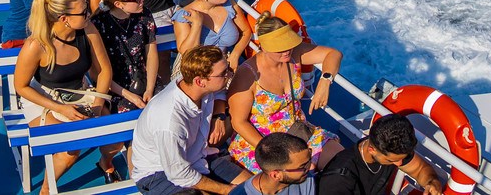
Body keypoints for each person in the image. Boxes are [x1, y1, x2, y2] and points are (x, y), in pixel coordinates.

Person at [13, 0, 124, 188]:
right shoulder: (36, 45)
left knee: (115, 139)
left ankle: (105, 162)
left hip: (81, 93)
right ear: (64, 18)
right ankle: (47, 189)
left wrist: (98, 105)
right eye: (83, 12)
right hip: (44, 98)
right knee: (71, 150)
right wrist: (60, 108)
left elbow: (105, 69)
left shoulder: (87, 29)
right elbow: (21, 87)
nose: (88, 14)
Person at [225, 16, 345, 176]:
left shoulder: (294, 54)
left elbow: (333, 54)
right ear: (264, 47)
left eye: (289, 44)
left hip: (298, 131)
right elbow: (238, 122)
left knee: (344, 163)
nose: (287, 51)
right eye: (280, 48)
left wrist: (325, 81)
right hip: (263, 141)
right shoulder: (247, 75)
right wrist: (269, 150)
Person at [129, 44, 251, 195]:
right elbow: (178, 174)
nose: (229, 75)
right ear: (200, 81)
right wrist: (226, 190)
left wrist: (218, 116)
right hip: (159, 174)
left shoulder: (192, 83)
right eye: (224, 73)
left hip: (199, 155)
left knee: (254, 189)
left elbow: (218, 92)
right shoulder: (170, 120)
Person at [317, 115, 444, 195]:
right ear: (372, 149)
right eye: (392, 161)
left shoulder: (391, 150)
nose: (399, 164)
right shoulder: (338, 179)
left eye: (401, 159)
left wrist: (432, 183)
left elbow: (420, 169)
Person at [94, 0, 159, 109]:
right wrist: (130, 96)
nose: (142, 0)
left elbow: (151, 53)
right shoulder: (99, 24)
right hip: (115, 84)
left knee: (161, 105)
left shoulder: (144, 15)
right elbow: (97, 72)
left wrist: (150, 89)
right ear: (118, 4)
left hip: (145, 77)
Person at [172, 0, 254, 73]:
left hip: (223, 64)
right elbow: (187, 52)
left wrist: (235, 55)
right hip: (193, 67)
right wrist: (197, 24)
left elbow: (246, 32)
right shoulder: (184, 15)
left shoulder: (229, 4)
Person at [240, 133, 316, 195]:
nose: (310, 166)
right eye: (303, 167)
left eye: (309, 160)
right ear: (276, 175)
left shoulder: (304, 178)